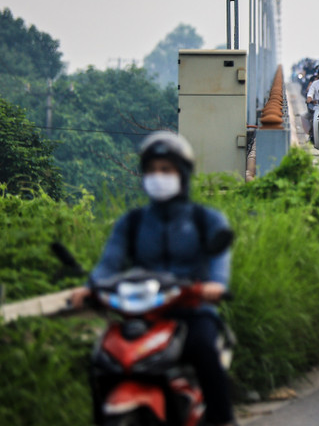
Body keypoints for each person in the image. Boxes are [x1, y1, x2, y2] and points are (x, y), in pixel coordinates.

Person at [71, 132, 236, 426]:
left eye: (166, 170)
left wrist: (215, 286)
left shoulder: (205, 219)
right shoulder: (132, 222)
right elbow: (108, 264)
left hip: (192, 311)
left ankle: (222, 420)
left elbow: (219, 261)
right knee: (102, 358)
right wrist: (89, 288)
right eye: (151, 170)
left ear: (182, 173)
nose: (158, 177)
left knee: (204, 350)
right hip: (143, 313)